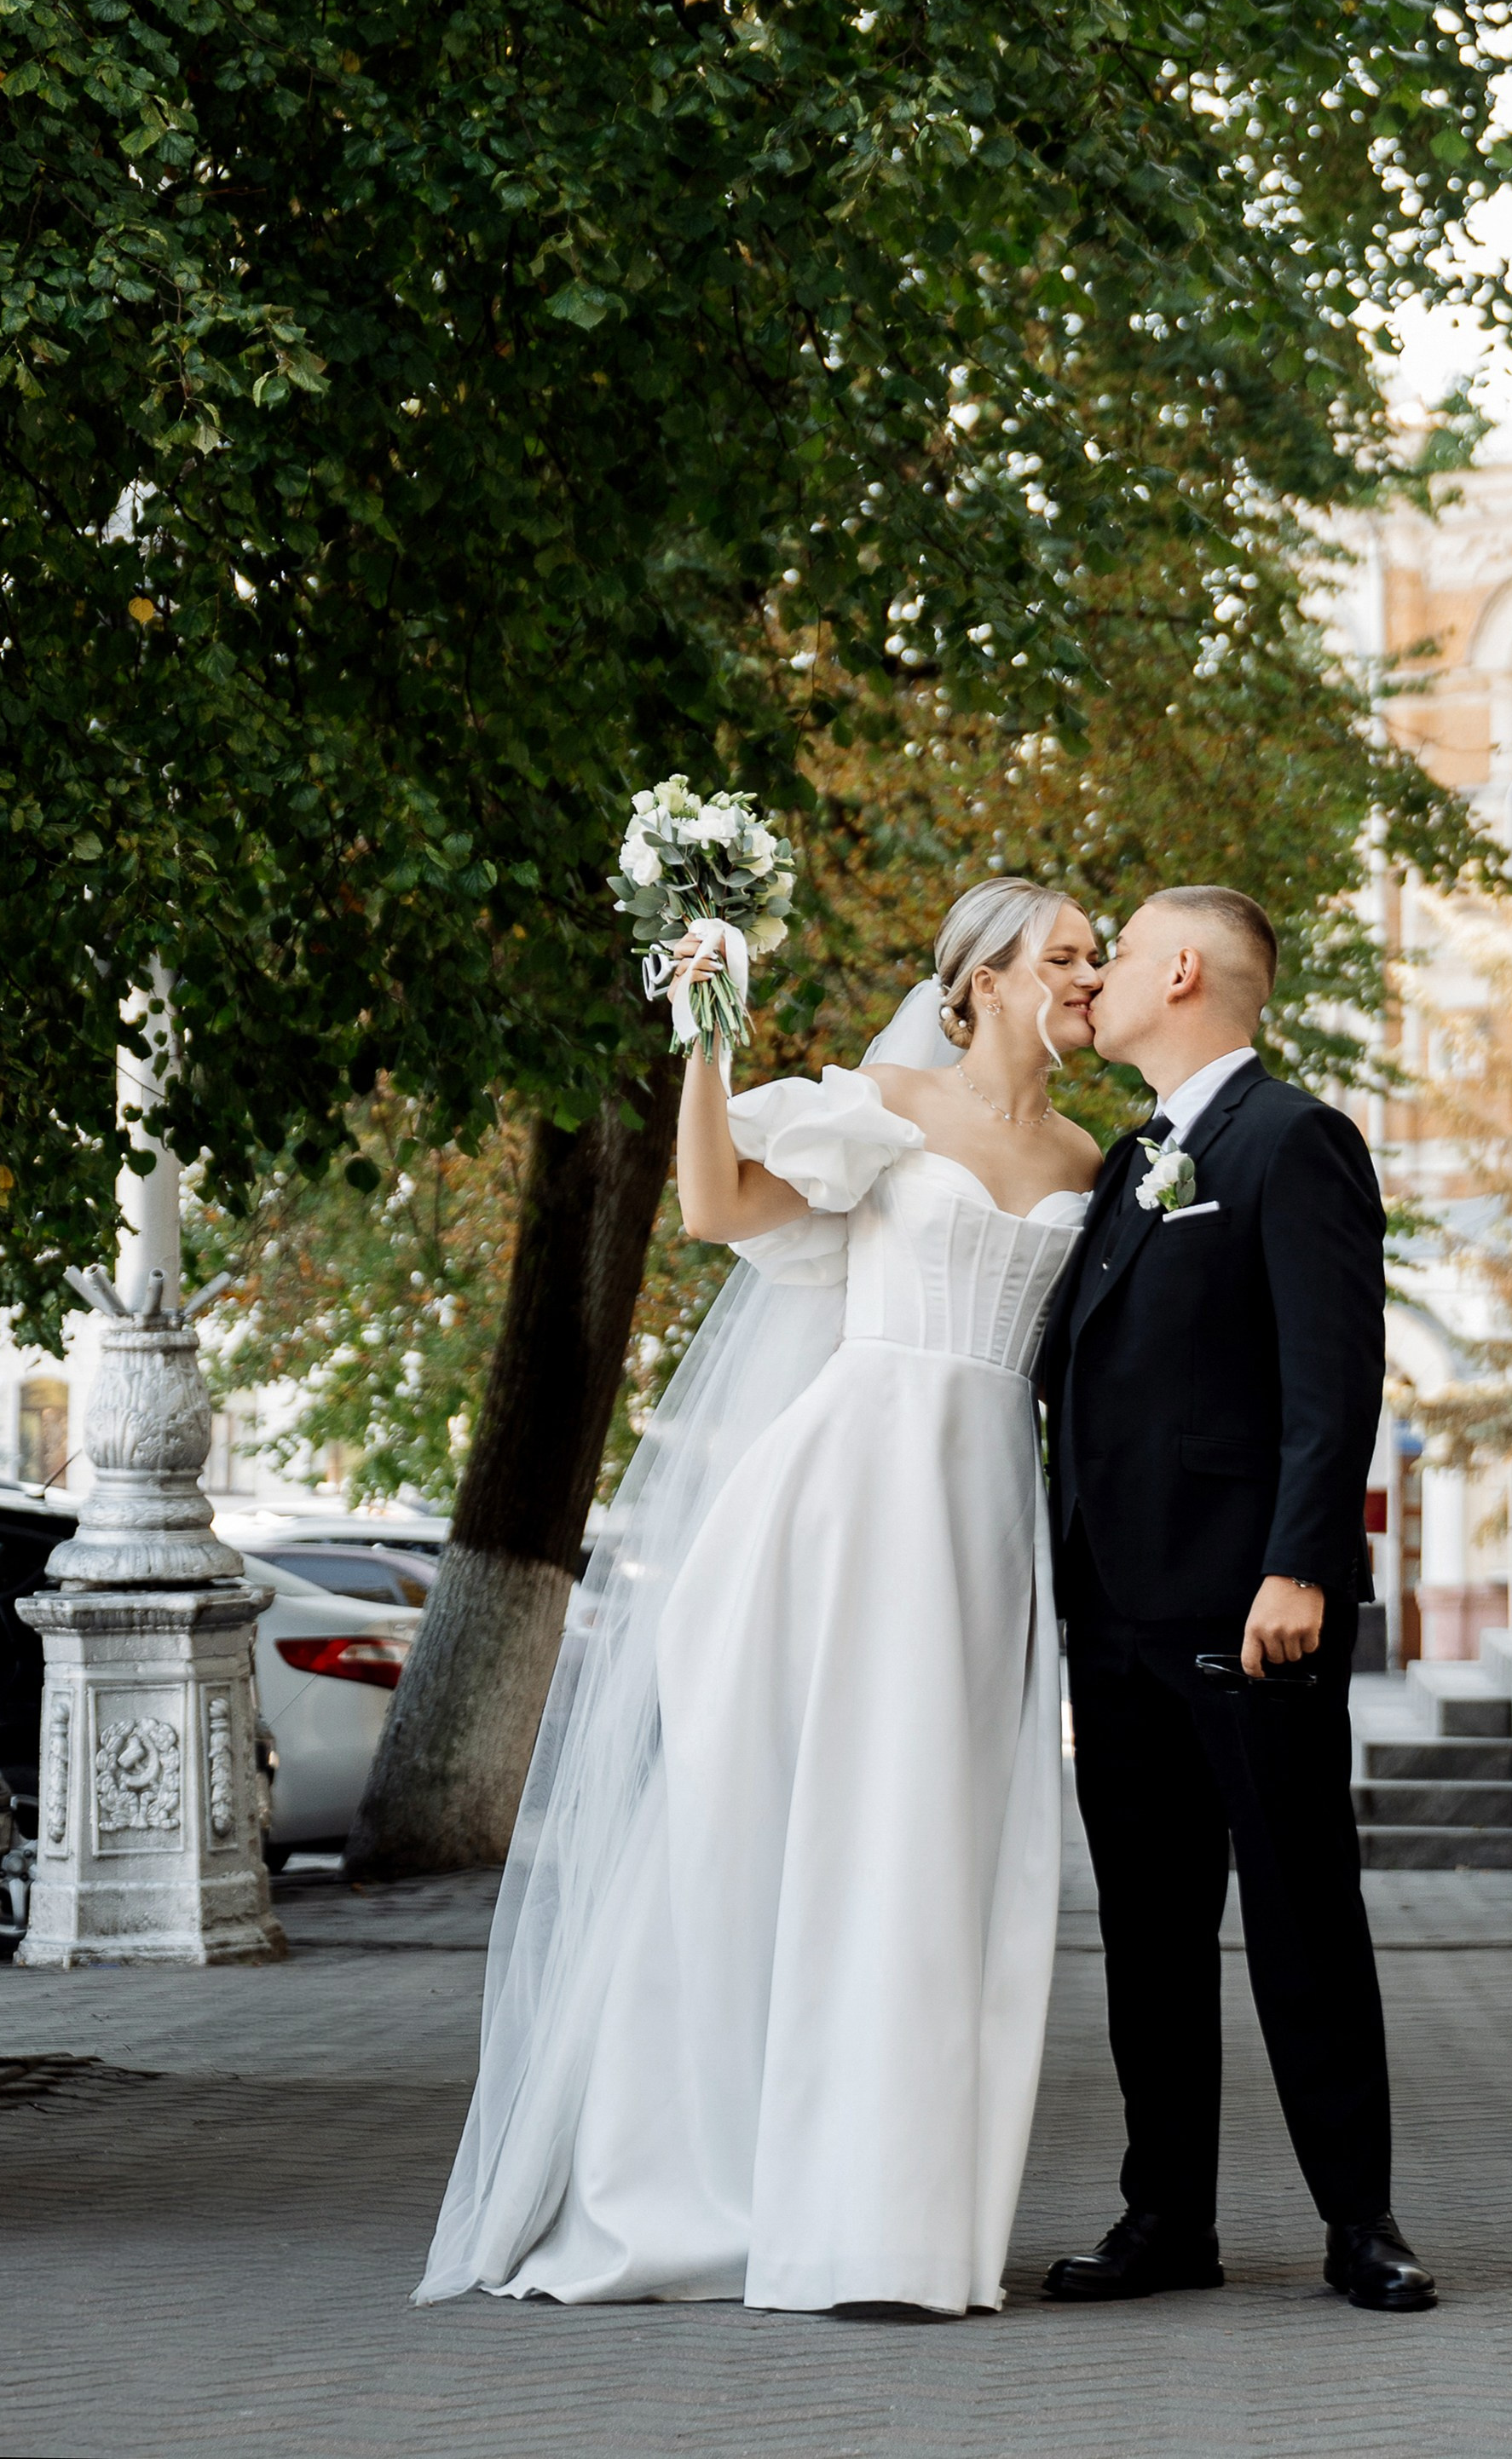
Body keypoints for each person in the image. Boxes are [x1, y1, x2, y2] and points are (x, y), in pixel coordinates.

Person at [416, 880, 1102, 2318]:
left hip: (982, 1528)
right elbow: (721, 1203)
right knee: (796, 1835)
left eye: (1098, 955)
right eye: (1066, 955)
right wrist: (707, 1039)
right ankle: (728, 2188)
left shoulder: (1097, 1157)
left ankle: (899, 2226)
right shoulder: (887, 1102)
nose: (1090, 975)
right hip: (846, 1508)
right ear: (978, 981)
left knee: (942, 1854)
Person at [1037, 886, 1436, 2313]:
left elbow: (1335, 1381)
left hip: (1250, 1608)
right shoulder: (1134, 1155)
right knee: (1148, 1931)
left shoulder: (1292, 1141)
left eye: (1125, 955)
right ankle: (1170, 2221)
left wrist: (1302, 1564)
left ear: (1186, 970)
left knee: (1299, 1918)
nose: (1105, 979)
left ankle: (1361, 2224)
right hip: (1115, 1612)